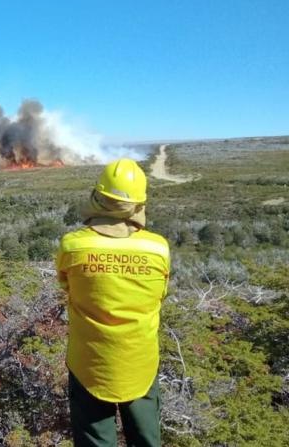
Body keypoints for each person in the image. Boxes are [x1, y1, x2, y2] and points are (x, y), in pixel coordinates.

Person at [56, 158, 170, 447]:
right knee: (146, 439)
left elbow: (66, 284)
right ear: (140, 204)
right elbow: (161, 293)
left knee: (95, 441)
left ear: (97, 197)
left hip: (90, 364)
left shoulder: (73, 245)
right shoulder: (158, 248)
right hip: (139, 363)